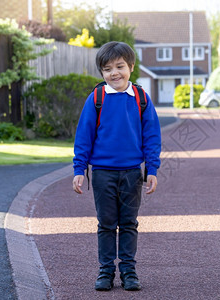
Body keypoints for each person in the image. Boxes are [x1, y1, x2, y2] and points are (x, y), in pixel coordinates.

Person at [72, 41, 161, 292]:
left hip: (132, 173)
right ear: (102, 72)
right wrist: (80, 170)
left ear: (130, 67)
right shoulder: (96, 98)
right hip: (101, 174)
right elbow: (84, 136)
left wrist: (151, 169)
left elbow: (152, 136)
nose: (114, 73)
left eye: (120, 66)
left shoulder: (141, 98)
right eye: (107, 68)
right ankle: (106, 271)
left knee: (129, 223)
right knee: (107, 223)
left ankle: (129, 271)